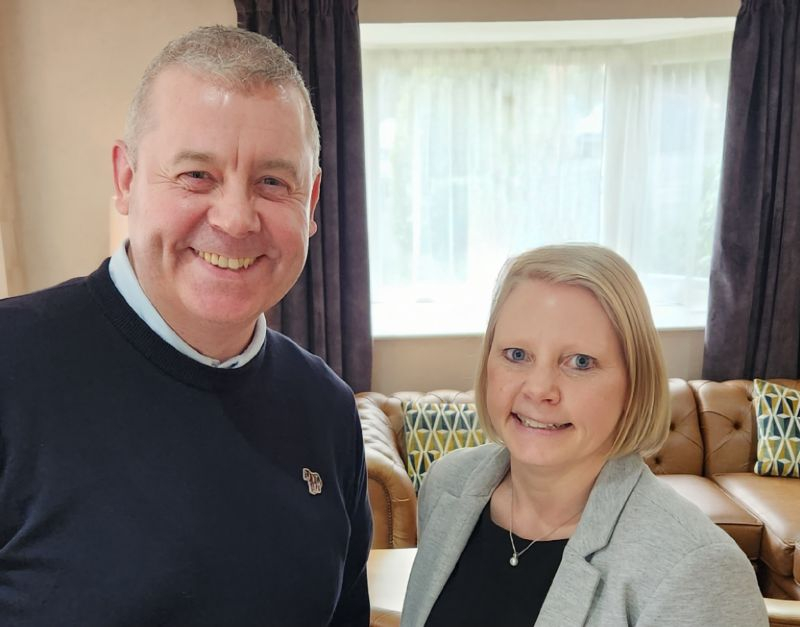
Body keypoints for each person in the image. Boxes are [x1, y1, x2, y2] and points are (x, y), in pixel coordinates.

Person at [0, 26, 371, 626]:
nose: (234, 218)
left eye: (273, 182)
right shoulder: (10, 366)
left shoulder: (326, 408)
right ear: (126, 178)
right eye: (196, 175)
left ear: (313, 202)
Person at [400, 244, 767, 627]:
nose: (540, 389)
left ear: (633, 384)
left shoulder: (699, 570)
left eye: (580, 362)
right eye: (516, 354)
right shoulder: (447, 486)